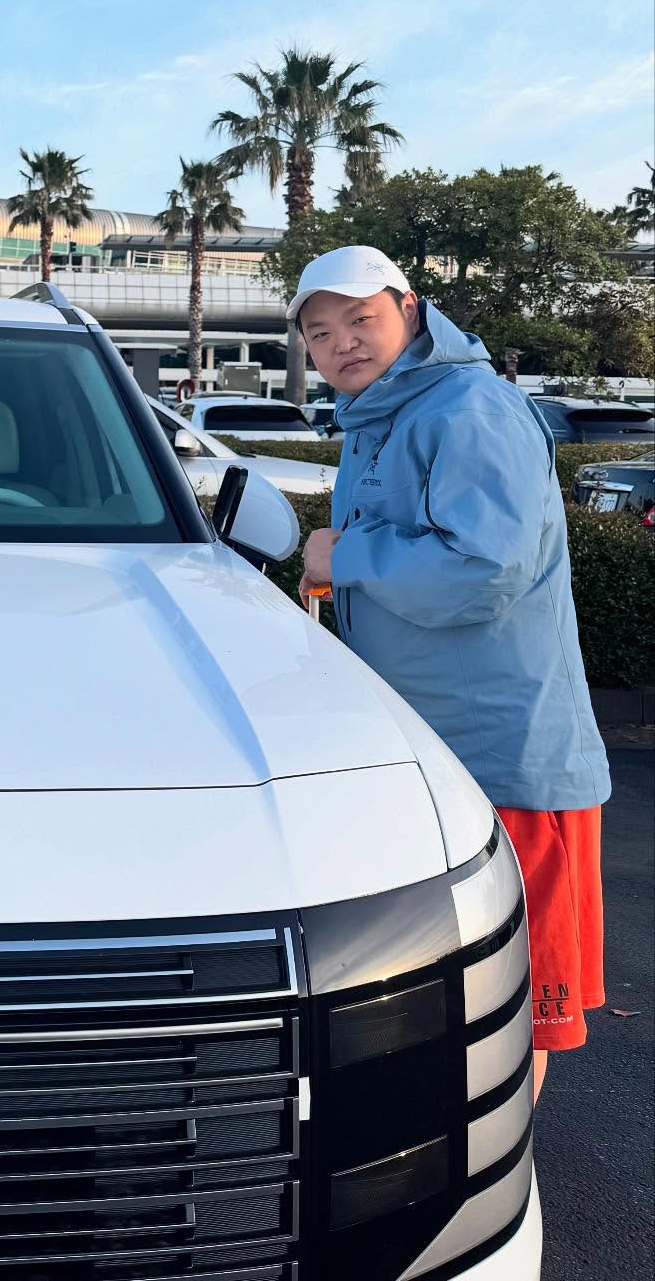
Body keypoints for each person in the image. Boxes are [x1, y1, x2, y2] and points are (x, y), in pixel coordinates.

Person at [292, 245, 610, 1102]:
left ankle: (501, 1173)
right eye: (320, 332)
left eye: (361, 318)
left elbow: (484, 570)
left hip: (504, 763)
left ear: (410, 307)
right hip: (435, 760)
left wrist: (344, 555)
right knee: (457, 1005)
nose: (342, 342)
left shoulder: (468, 408)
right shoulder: (383, 416)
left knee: (511, 1009)